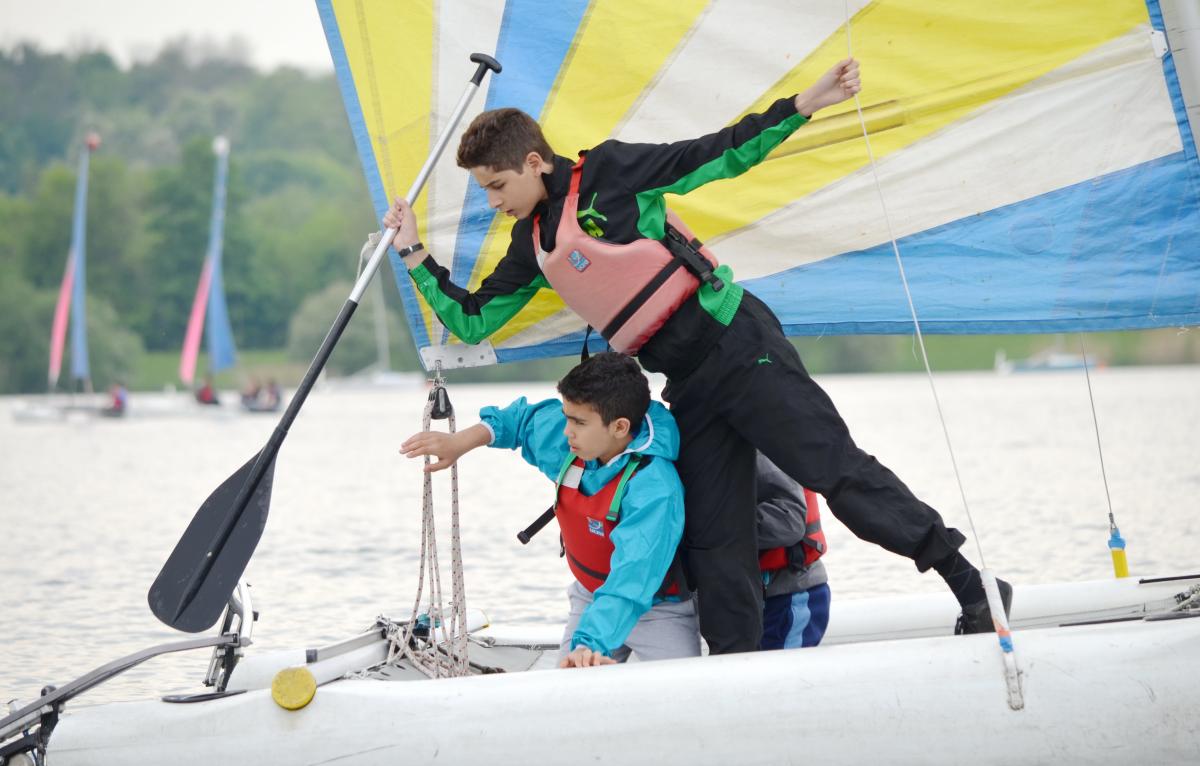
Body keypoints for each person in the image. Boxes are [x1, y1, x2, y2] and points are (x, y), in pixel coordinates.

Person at [384, 59, 1010, 653]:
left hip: (739, 343)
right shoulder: (532, 243)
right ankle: (736, 668)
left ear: (532, 161)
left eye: (497, 185)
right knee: (714, 540)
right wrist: (412, 251)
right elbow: (473, 319)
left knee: (835, 472)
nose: (494, 201)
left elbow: (711, 155)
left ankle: (973, 586)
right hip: (688, 381)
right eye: (485, 191)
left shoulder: (607, 173)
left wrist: (804, 104)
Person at [400, 353, 699, 668]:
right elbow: (519, 420)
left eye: (578, 422)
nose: (567, 431)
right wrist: (460, 442)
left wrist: (588, 644)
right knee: (566, 685)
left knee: (685, 691)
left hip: (657, 608)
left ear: (620, 427)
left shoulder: (655, 488)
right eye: (567, 417)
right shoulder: (576, 437)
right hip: (590, 596)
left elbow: (633, 577)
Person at [755, 453, 831, 650]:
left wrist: (722, 527)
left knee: (781, 670)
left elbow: (791, 521)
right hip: (760, 594)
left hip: (792, 594)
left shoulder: (764, 448)